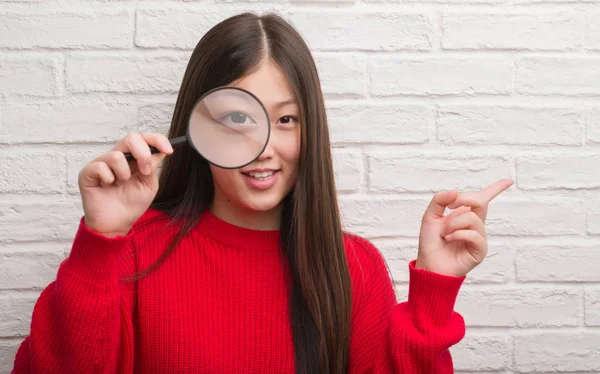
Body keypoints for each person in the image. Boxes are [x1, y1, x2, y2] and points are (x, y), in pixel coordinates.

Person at [11, 12, 513, 374]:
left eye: (286, 119)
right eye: (237, 119)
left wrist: (433, 295)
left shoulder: (351, 267)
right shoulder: (134, 251)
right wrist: (101, 241)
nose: (264, 148)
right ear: (197, 126)